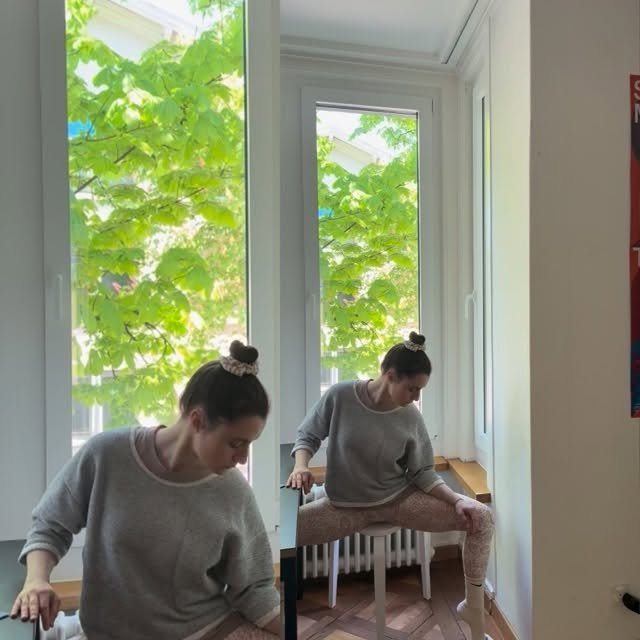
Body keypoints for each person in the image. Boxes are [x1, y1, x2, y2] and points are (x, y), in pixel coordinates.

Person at [11, 341, 280, 640]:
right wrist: (36, 580)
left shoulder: (234, 492)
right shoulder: (106, 455)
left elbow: (255, 587)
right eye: (236, 443)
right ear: (197, 421)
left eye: (249, 444)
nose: (243, 458)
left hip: (203, 630)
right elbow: (50, 524)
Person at [287, 332, 495, 640]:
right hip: (343, 507)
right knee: (276, 536)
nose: (416, 397)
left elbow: (423, 472)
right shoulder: (340, 396)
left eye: (420, 390)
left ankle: (472, 607)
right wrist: (301, 466)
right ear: (390, 375)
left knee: (482, 517)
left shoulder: (410, 416)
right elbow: (307, 435)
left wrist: (457, 500)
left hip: (399, 501)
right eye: (412, 388)